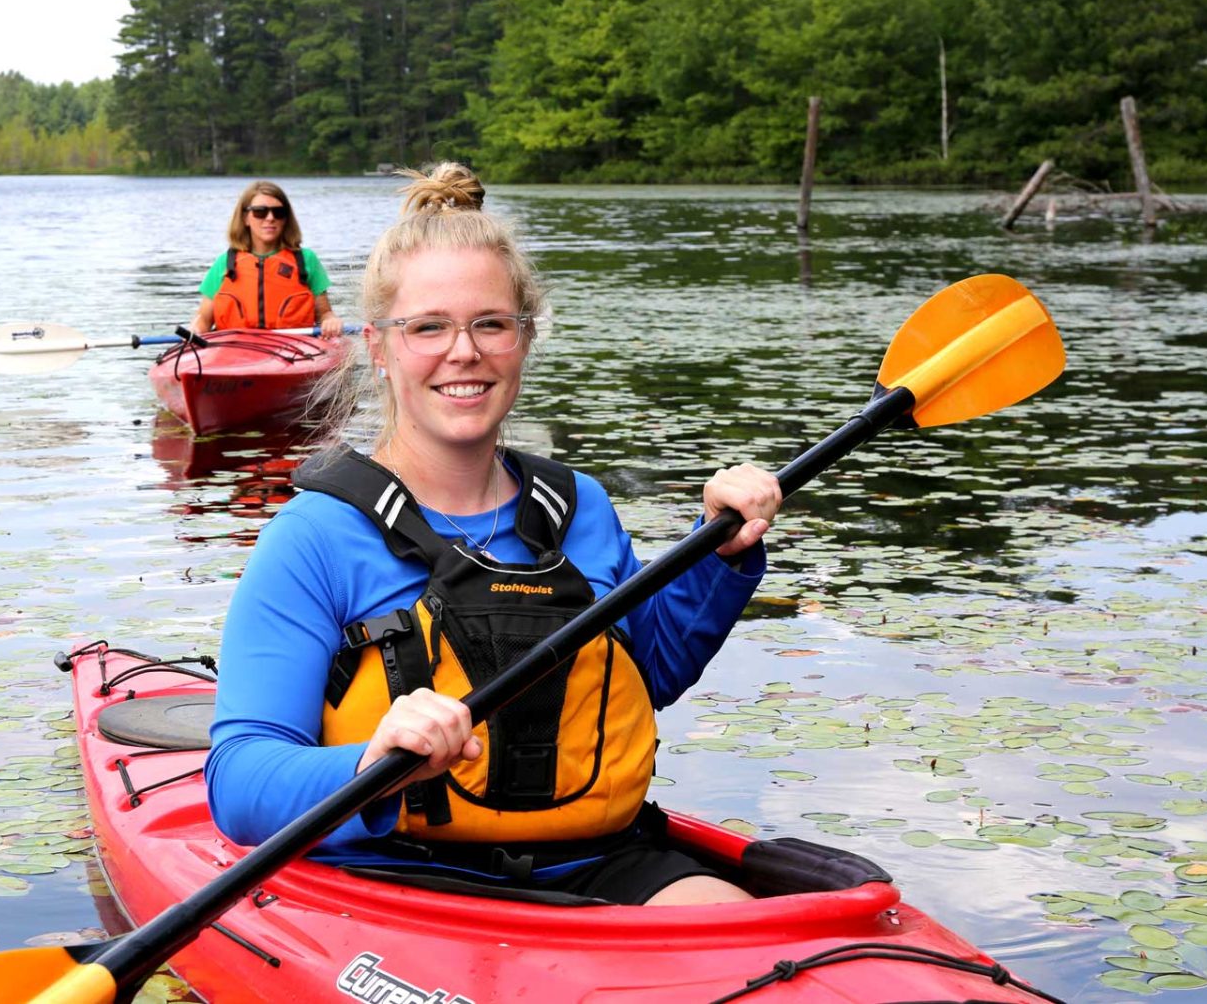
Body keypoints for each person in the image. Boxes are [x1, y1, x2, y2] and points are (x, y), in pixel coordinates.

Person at [204, 162, 781, 906]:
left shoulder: (582, 507)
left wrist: (719, 549)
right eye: (429, 327)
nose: (464, 351)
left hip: (599, 866)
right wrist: (370, 763)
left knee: (737, 933)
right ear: (379, 348)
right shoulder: (314, 535)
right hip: (396, 879)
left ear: (524, 338)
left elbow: (651, 672)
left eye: (490, 323)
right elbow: (240, 782)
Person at [187, 181, 345, 339]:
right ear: (245, 218)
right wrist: (196, 328)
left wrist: (331, 320)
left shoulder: (306, 260)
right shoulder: (225, 262)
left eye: (279, 212)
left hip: (294, 349)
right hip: (234, 349)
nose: (270, 218)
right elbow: (203, 319)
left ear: (286, 219)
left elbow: (324, 313)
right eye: (260, 212)